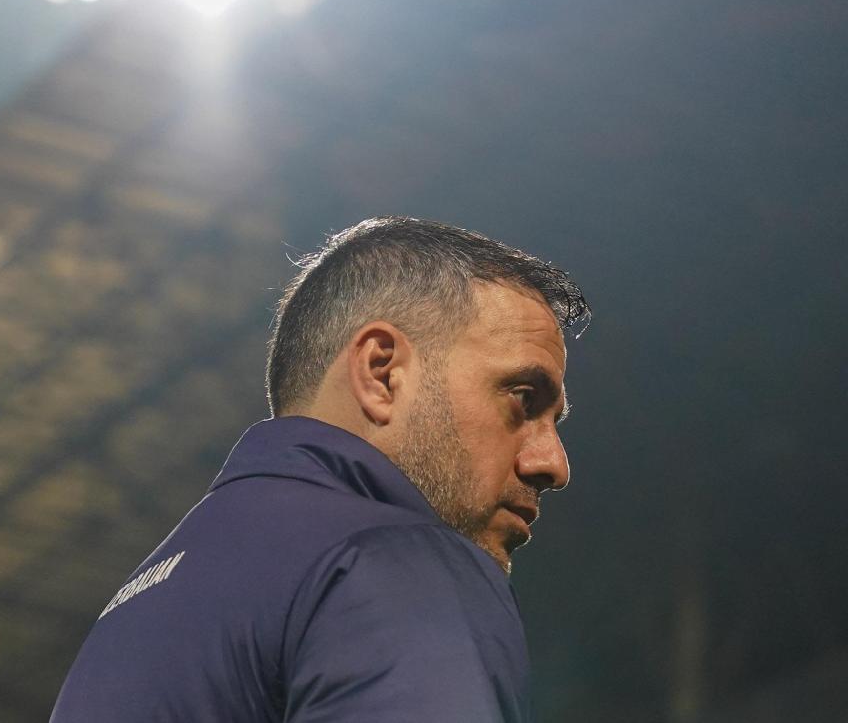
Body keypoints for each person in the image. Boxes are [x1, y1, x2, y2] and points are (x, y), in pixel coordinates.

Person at [50, 216, 590, 723]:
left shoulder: (135, 609)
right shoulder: (392, 559)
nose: (554, 464)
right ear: (382, 373)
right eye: (523, 398)